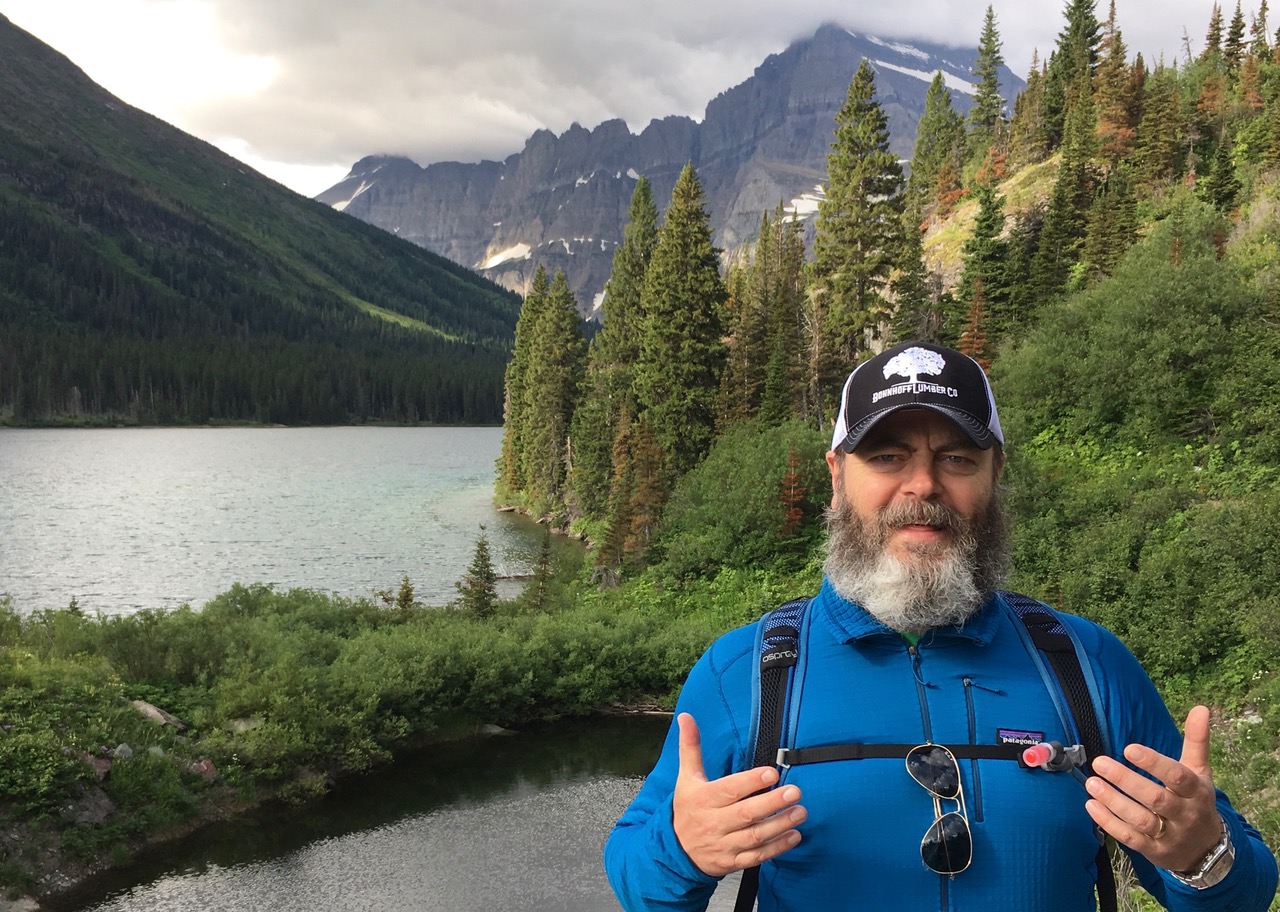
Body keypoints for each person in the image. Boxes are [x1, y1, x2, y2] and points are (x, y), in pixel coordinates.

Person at [604, 342, 1278, 911]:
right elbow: (637, 875)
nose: (923, 485)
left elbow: (1243, 885)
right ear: (837, 476)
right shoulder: (745, 673)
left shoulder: (1085, 663)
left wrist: (1203, 857)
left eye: (957, 458)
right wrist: (683, 849)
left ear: (994, 476)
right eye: (888, 456)